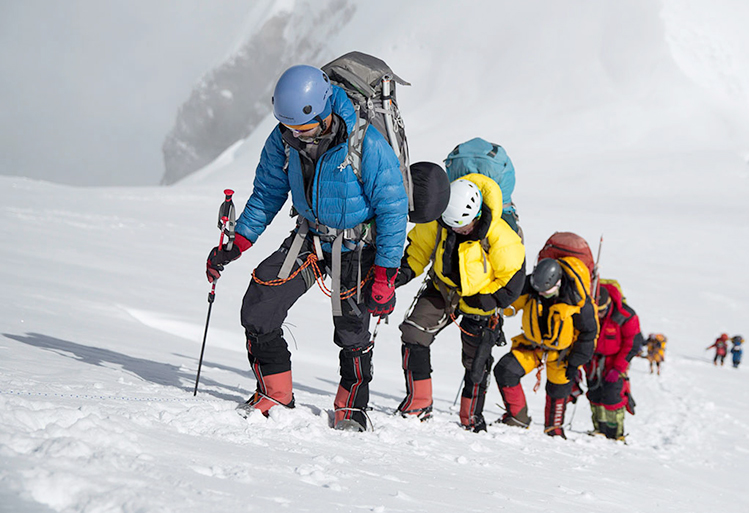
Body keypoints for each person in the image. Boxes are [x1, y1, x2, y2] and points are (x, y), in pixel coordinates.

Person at [204, 64, 408, 432]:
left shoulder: (366, 143)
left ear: (326, 107)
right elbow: (268, 193)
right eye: (291, 128)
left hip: (357, 245)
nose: (299, 136)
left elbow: (393, 210)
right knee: (259, 307)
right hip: (310, 237)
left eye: (305, 128)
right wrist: (238, 243)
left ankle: (352, 406)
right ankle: (275, 393)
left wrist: (385, 274)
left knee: (352, 331)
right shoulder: (283, 140)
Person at [392, 173, 525, 430]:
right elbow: (418, 249)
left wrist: (490, 299)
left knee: (476, 362)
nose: (457, 231)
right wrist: (402, 273)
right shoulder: (438, 219)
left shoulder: (501, 236)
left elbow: (513, 279)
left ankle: (471, 418)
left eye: (462, 227)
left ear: (476, 216)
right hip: (443, 288)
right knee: (413, 332)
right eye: (452, 226)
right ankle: (418, 403)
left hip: (481, 298)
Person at [493, 257, 599, 438]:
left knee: (559, 389)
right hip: (531, 347)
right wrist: (497, 311)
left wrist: (576, 362)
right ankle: (517, 418)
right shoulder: (531, 286)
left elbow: (589, 334)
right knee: (505, 370)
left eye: (547, 291)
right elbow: (511, 303)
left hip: (562, 355)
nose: (542, 294)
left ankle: (554, 430)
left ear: (558, 283)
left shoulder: (578, 301)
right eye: (539, 291)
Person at [585, 281, 642, 441]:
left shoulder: (625, 315)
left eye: (601, 311)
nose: (599, 315)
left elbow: (632, 344)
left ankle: (615, 434)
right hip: (593, 363)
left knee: (613, 397)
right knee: (595, 395)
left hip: (615, 363)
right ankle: (599, 429)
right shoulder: (590, 312)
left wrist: (618, 368)